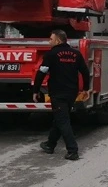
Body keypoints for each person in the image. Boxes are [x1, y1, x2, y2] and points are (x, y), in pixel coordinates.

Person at [33, 29, 90, 161]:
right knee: (60, 118)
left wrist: (36, 91)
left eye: (51, 39)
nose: (49, 41)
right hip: (71, 93)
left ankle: (72, 150)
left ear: (58, 40)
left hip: (58, 93)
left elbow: (41, 73)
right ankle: (50, 144)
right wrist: (86, 88)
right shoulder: (76, 54)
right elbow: (85, 72)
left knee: (63, 120)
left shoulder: (51, 54)